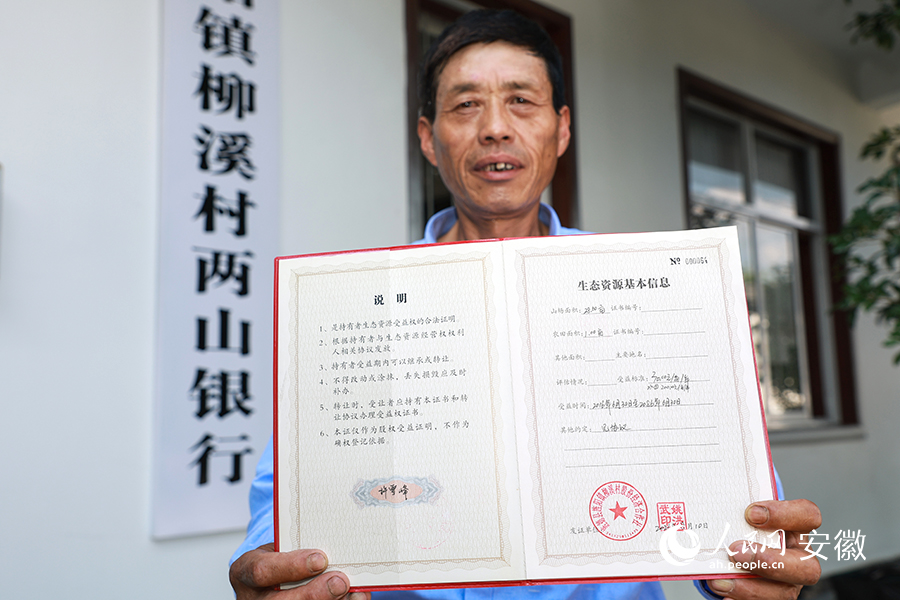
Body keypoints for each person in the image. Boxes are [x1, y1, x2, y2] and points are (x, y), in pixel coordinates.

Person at [229, 10, 822, 600]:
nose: (495, 128)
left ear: (561, 129)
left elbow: (724, 492)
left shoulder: (646, 289)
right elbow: (290, 490)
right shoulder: (355, 305)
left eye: (520, 101)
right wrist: (270, 564)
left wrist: (750, 561)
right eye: (466, 105)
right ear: (428, 138)